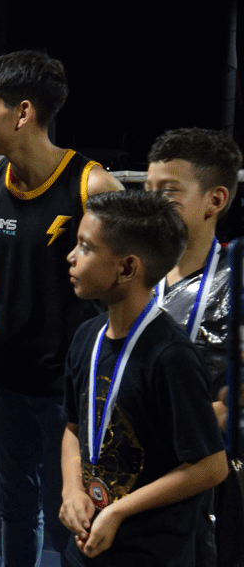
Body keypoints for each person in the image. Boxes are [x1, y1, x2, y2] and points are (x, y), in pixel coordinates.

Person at [0, 50, 123, 567]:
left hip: (71, 390)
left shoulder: (93, 187)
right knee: (15, 506)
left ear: (22, 112)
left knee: (70, 510)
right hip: (6, 379)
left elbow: (127, 287)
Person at [60, 191, 228, 564]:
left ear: (126, 268)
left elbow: (210, 466)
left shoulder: (171, 357)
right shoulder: (87, 336)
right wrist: (72, 490)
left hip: (151, 549)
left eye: (86, 247)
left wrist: (120, 511)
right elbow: (73, 428)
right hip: (88, 543)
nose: (71, 256)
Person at [144, 127, 243, 564]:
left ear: (215, 200)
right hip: (136, 466)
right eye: (147, 190)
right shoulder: (132, 277)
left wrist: (213, 416)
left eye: (167, 192)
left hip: (211, 473)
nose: (151, 203)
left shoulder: (237, 282)